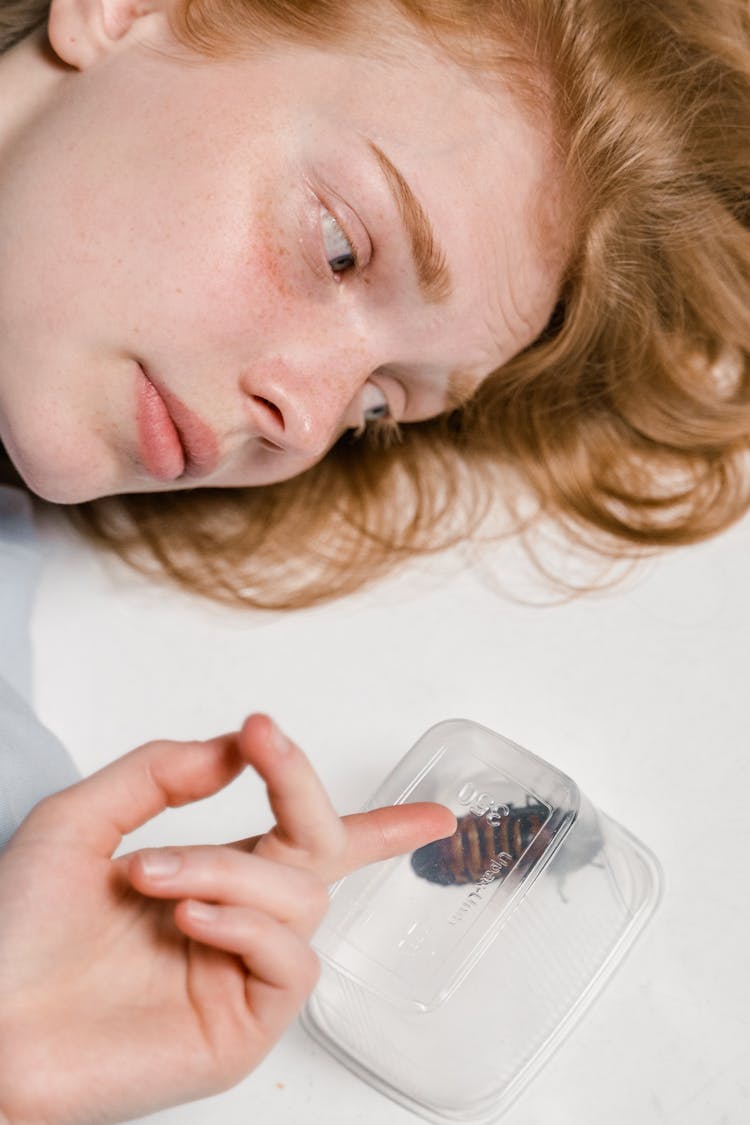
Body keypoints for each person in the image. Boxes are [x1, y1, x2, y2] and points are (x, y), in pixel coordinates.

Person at [1, 0, 749, 1120]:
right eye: (340, 248)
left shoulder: (28, 847)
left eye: (374, 406)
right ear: (130, 12)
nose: (301, 421)